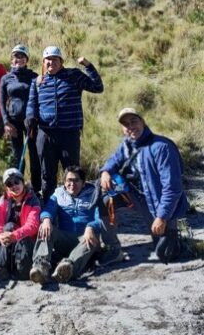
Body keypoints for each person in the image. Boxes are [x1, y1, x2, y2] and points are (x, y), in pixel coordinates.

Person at [98, 108, 188, 264]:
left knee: (166, 254)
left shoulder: (162, 147)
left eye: (134, 121)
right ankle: (113, 248)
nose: (130, 126)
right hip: (135, 196)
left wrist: (162, 217)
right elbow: (113, 161)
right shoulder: (126, 145)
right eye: (126, 124)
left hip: (159, 202)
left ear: (143, 122)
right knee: (104, 200)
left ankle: (173, 235)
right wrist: (105, 172)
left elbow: (173, 188)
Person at [25, 46, 104, 201]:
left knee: (72, 173)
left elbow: (97, 87)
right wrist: (29, 116)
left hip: (69, 134)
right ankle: (49, 208)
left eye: (55, 59)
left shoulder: (73, 75)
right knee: (47, 174)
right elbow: (32, 103)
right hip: (46, 134)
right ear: (43, 62)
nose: (51, 62)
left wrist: (88, 66)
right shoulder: (38, 81)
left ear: (61, 61)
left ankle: (74, 205)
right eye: (48, 59)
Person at [29, 166, 101, 285]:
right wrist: (46, 219)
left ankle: (68, 268)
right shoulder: (58, 194)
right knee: (45, 228)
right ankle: (40, 267)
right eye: (69, 181)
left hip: (85, 239)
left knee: (91, 239)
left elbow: (101, 219)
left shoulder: (94, 194)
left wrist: (91, 226)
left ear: (83, 183)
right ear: (64, 182)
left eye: (76, 180)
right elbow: (48, 210)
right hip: (65, 239)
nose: (72, 184)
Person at [0, 45, 40, 193]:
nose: (19, 59)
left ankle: (36, 188)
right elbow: (1, 101)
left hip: (31, 122)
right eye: (16, 56)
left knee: (34, 154)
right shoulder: (5, 78)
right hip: (14, 122)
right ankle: (18, 188)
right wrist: (6, 122)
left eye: (22, 57)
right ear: (12, 59)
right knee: (17, 156)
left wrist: (35, 119)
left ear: (26, 60)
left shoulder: (34, 76)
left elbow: (39, 99)